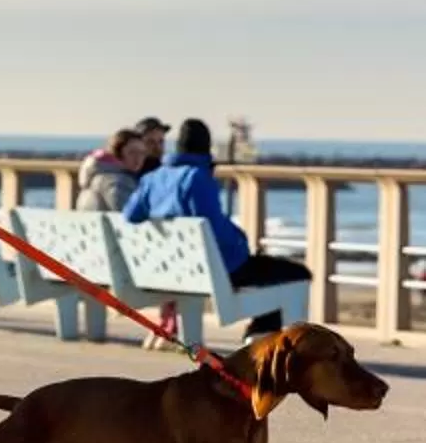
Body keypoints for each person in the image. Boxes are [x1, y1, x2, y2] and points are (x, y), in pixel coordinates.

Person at [123, 115, 312, 333]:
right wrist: (242, 241)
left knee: (267, 274)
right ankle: (261, 335)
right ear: (206, 148)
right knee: (298, 274)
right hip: (210, 271)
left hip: (173, 271)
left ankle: (261, 332)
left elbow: (130, 216)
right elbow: (213, 230)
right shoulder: (197, 177)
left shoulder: (153, 178)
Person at [77, 126, 144, 213]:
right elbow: (129, 214)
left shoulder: (97, 175)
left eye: (142, 153)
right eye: (132, 152)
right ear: (116, 152)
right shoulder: (117, 182)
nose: (138, 158)